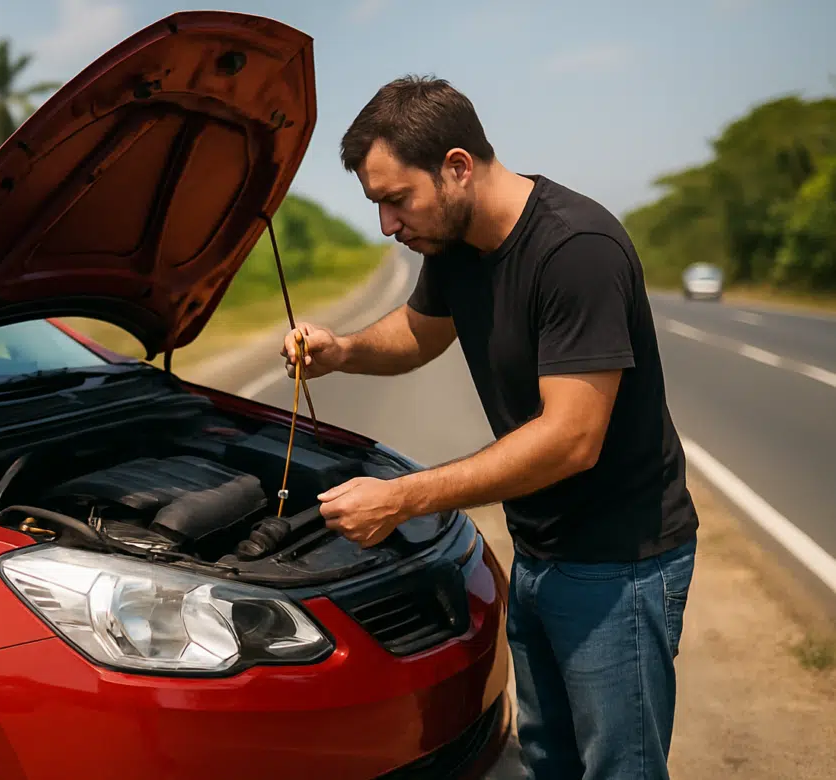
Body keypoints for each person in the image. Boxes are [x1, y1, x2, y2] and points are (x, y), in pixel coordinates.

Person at [281, 75, 699, 779]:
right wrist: (342, 351)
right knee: (548, 761)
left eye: (394, 199)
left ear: (457, 166)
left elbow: (571, 438)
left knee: (618, 769)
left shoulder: (577, 250)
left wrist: (403, 497)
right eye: (376, 204)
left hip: (619, 566)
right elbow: (419, 334)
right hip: (538, 555)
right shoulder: (453, 245)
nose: (387, 225)